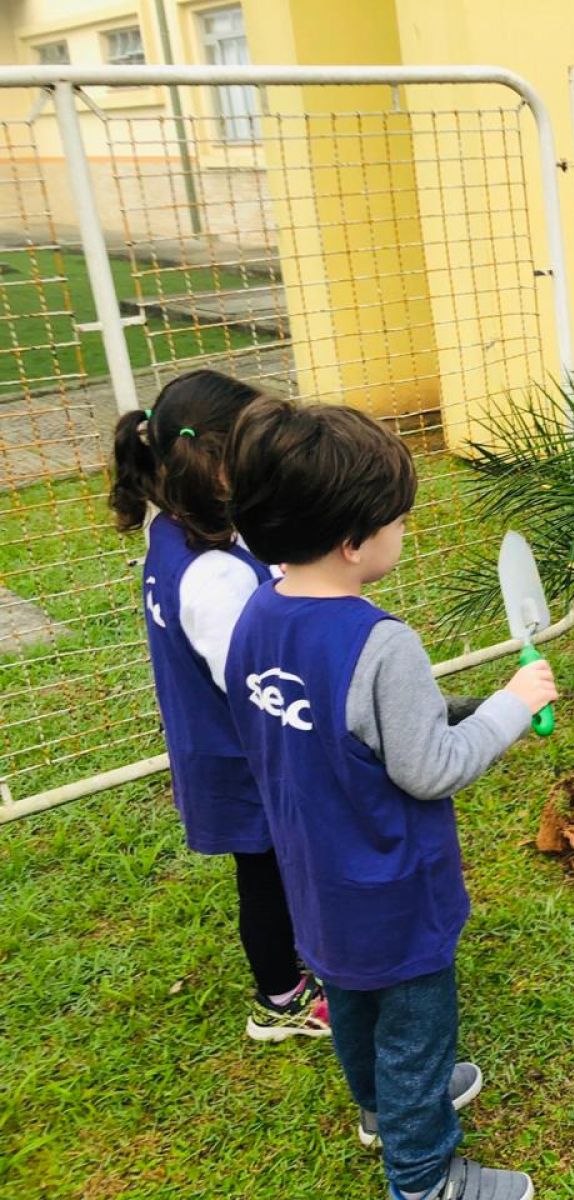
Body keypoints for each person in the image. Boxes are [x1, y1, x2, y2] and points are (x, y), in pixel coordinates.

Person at [222, 398, 558, 1200]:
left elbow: (344, 728)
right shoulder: (381, 641)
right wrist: (512, 707)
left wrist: (465, 706)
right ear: (352, 540)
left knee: (353, 1003)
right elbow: (429, 769)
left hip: (315, 877)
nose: (404, 530)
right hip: (393, 890)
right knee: (415, 1029)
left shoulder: (257, 615)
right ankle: (423, 1174)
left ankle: (381, 1107)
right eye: (399, 519)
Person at [109, 369, 330, 1042]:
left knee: (272, 866)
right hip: (243, 754)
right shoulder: (212, 576)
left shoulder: (176, 528)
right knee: (266, 873)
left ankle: (297, 965)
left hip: (216, 741)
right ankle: (281, 1000)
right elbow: (257, 680)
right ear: (221, 464)